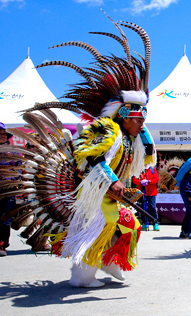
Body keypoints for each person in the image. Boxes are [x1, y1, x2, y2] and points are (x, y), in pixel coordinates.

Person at [0, 18, 156, 286]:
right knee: (96, 229)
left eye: (144, 117)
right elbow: (90, 158)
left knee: (131, 226)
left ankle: (107, 262)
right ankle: (83, 275)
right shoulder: (108, 130)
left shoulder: (131, 136)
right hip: (91, 193)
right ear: (123, 114)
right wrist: (112, 181)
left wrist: (142, 132)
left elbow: (147, 156)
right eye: (138, 117)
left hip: (107, 193)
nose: (142, 121)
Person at [0, 122, 15, 257]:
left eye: (4, 134)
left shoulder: (12, 151)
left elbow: (19, 168)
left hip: (8, 190)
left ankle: (2, 244)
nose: (2, 136)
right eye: (0, 134)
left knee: (5, 219)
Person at [132, 166, 160, 231]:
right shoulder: (138, 169)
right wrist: (140, 182)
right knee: (142, 208)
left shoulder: (153, 169)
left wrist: (149, 181)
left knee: (152, 207)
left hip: (151, 192)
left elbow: (156, 179)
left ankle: (155, 223)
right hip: (141, 192)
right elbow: (134, 180)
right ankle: (144, 224)